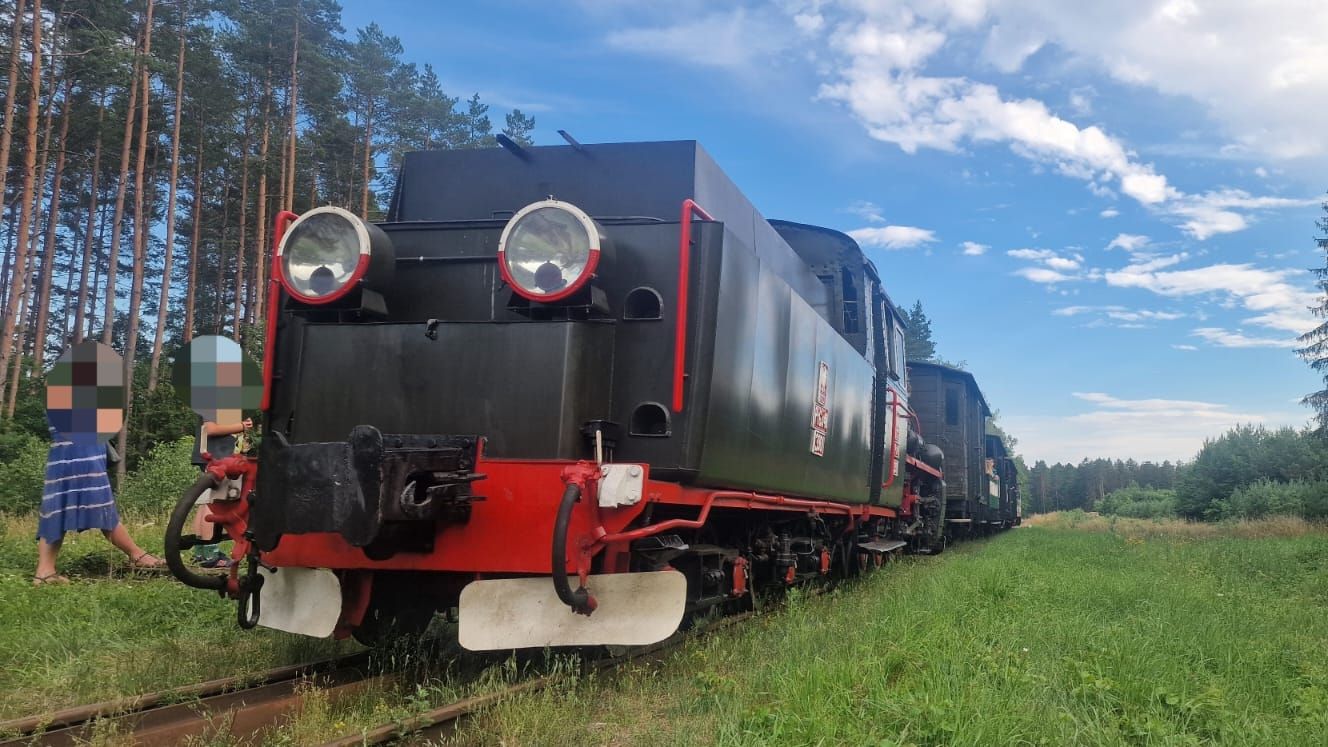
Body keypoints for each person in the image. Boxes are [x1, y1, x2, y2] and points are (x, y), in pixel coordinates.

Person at [35, 429, 164, 585]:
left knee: (57, 508)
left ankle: (45, 571)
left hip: (65, 451)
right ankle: (137, 555)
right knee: (101, 506)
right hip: (83, 449)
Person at [189, 416, 252, 567]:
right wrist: (242, 426)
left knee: (206, 502)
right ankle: (211, 554)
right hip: (217, 457)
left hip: (214, 455)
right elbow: (210, 429)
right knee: (214, 502)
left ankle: (201, 552)